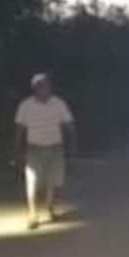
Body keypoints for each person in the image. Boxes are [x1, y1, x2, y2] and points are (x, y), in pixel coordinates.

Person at [14, 73, 76, 230]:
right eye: (42, 86)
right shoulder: (26, 105)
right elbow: (20, 129)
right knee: (32, 181)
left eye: (48, 85)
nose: (46, 88)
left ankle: (50, 207)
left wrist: (72, 143)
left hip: (55, 147)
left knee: (54, 181)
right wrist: (17, 150)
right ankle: (32, 214)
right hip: (34, 148)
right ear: (35, 88)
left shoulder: (58, 103)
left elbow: (69, 124)